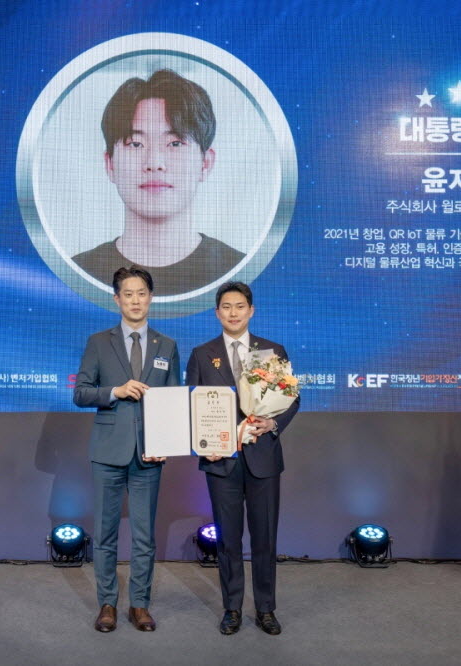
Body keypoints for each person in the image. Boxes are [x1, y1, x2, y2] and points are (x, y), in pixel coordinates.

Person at [184, 281, 300, 636]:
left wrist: (273, 423)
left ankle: (266, 609)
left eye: (239, 306)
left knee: (265, 539)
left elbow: (292, 398)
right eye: (226, 307)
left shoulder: (272, 351)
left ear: (251, 311)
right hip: (221, 460)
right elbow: (191, 405)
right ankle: (232, 608)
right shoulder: (202, 354)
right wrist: (202, 443)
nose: (233, 313)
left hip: (263, 457)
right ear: (217, 312)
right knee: (228, 540)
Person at [73, 266, 181, 632]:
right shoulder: (98, 342)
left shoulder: (167, 345)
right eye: (128, 294)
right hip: (108, 452)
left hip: (149, 454)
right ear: (117, 299)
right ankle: (107, 603)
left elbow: (173, 401)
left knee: (144, 536)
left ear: (151, 298)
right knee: (104, 534)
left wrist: (166, 442)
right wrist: (115, 391)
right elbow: (81, 393)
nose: (135, 300)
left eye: (142, 294)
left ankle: (139, 604)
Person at [73, 69, 244, 296]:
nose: (154, 163)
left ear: (205, 163)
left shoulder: (238, 272)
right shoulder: (77, 274)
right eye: (135, 144)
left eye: (175, 143)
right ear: (110, 164)